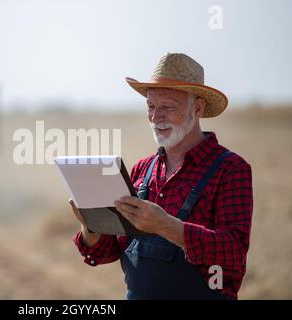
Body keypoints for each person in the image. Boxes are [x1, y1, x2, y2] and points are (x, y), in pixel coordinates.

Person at [70, 52, 253, 300]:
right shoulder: (142, 170)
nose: (156, 118)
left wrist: (166, 226)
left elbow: (233, 250)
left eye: (167, 107)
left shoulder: (230, 169)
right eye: (151, 107)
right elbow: (106, 253)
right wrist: (90, 226)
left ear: (197, 108)